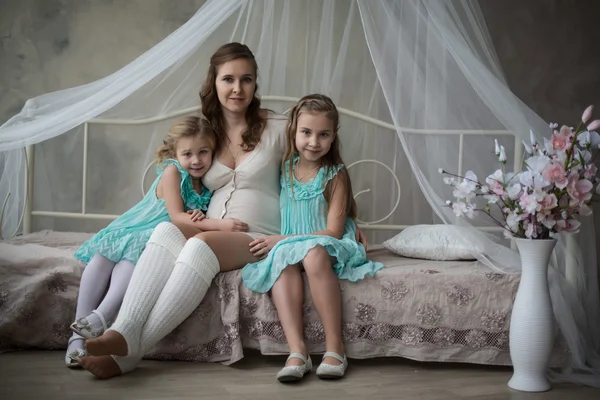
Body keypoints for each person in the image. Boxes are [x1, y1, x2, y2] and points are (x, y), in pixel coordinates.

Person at [79, 42, 366, 379]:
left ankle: (127, 352)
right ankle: (125, 331)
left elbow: (318, 162)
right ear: (213, 83)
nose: (237, 88)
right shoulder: (205, 133)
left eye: (246, 79)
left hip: (258, 236)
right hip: (216, 228)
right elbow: (176, 175)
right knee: (166, 231)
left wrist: (346, 221)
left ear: (255, 83)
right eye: (228, 79)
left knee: (200, 245)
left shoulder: (279, 128)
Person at [65, 116, 234, 367]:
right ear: (174, 153)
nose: (196, 160)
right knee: (103, 260)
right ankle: (78, 336)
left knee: (130, 263)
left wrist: (197, 215)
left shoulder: (207, 189)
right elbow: (177, 217)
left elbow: (185, 219)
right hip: (136, 227)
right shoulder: (173, 171)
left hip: (154, 238)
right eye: (187, 153)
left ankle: (99, 318)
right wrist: (219, 225)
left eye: (203, 152)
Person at [242, 94, 384, 382]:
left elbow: (332, 231)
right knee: (283, 259)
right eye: (306, 132)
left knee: (313, 253)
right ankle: (297, 351)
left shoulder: (335, 174)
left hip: (328, 243)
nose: (314, 142)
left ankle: (336, 348)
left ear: (334, 137)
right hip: (293, 245)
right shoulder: (284, 168)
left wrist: (282, 238)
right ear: (294, 130)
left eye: (323, 135)